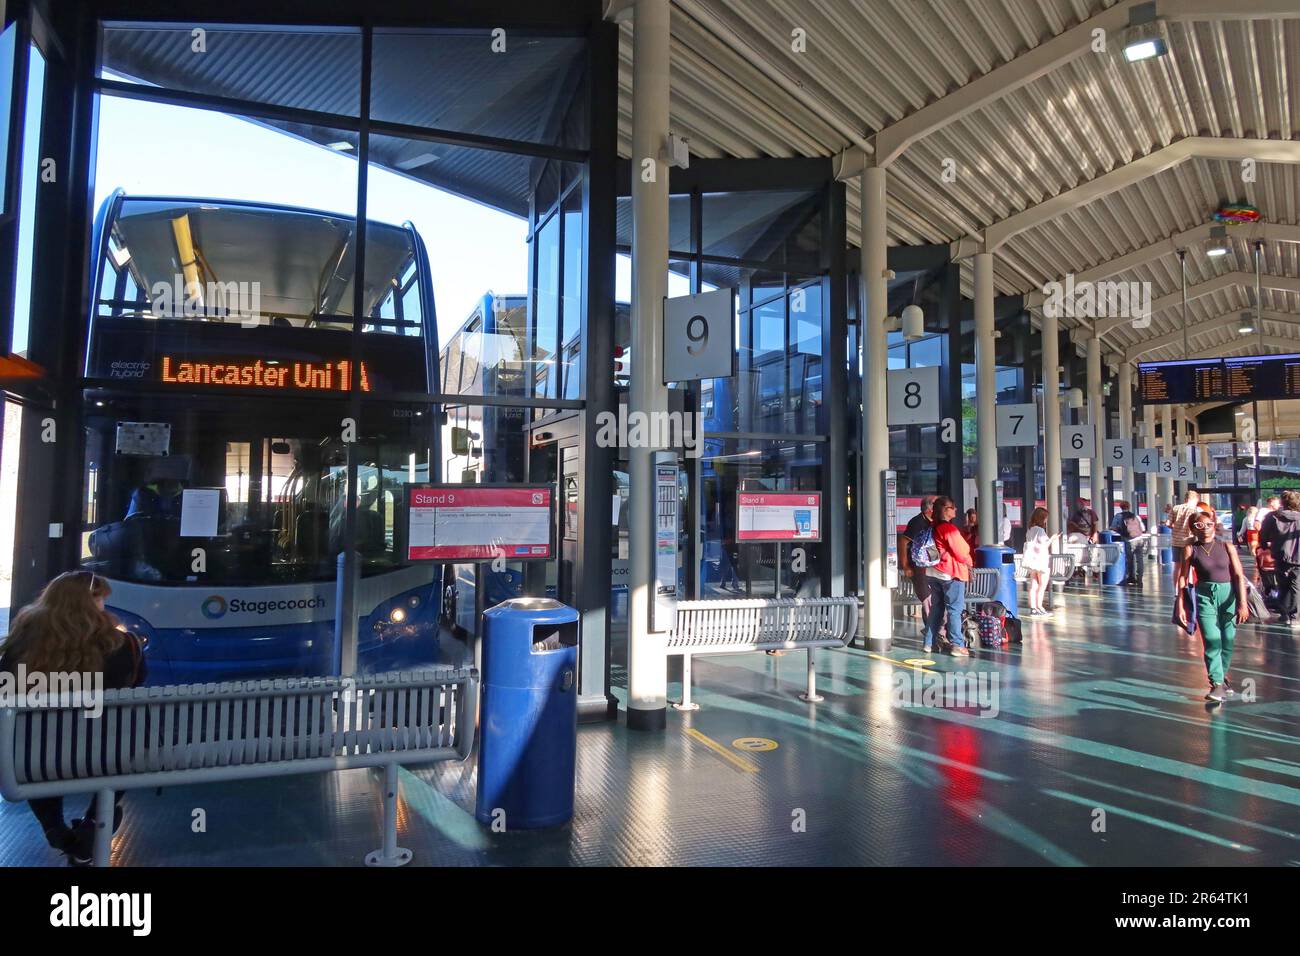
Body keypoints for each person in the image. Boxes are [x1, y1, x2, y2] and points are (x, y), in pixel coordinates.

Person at [0, 571, 145, 865]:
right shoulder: (124, 646)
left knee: (38, 745)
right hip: (106, 756)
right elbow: (137, 681)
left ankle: (54, 825)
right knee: (124, 745)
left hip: (33, 759)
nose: (105, 604)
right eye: (101, 598)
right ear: (91, 602)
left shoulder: (19, 644)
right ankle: (93, 823)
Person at [1175, 510, 1248, 703]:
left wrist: (1242, 603)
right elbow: (1183, 577)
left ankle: (1222, 677)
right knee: (1211, 639)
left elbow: (1239, 575)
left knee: (1228, 640)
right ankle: (1216, 683)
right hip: (1203, 596)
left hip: (1229, 595)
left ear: (1214, 525)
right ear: (1192, 529)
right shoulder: (1191, 549)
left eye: (1208, 524)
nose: (1205, 529)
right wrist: (1181, 604)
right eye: (1199, 526)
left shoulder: (1227, 546)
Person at [924, 496, 974, 657]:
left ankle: (929, 643)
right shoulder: (948, 528)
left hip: (933, 572)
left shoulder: (932, 526)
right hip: (950, 573)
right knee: (954, 609)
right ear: (946, 510)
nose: (956, 510)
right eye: (953, 507)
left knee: (936, 609)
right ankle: (957, 645)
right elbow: (962, 551)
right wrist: (969, 562)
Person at [1259, 490, 1300, 628]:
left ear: (1282, 502)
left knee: (1282, 585)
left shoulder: (1273, 517)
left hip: (1280, 556)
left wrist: (1264, 544)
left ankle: (1284, 614)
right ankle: (1294, 617)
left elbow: (1263, 535)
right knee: (1296, 587)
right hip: (1298, 557)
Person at [899, 496, 936, 621]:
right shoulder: (917, 522)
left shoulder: (936, 522)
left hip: (934, 566)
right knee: (928, 600)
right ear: (930, 509)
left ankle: (933, 631)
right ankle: (932, 633)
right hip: (920, 567)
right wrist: (905, 565)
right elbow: (903, 542)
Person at [1022, 507, 1055, 615]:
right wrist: (1053, 539)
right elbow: (1044, 545)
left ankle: (1033, 608)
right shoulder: (1040, 531)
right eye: (1045, 518)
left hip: (1032, 561)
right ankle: (1039, 606)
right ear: (1042, 518)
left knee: (1034, 585)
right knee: (1042, 585)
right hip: (1041, 560)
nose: (1046, 521)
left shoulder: (1030, 529)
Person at [1110, 500, 1146, 585]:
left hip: (1128, 540)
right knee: (1139, 560)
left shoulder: (1118, 516)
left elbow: (1113, 528)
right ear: (1129, 506)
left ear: (1120, 507)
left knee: (1129, 560)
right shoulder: (1135, 516)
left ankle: (1131, 577)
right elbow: (1143, 529)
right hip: (1139, 539)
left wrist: (1120, 531)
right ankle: (1140, 578)